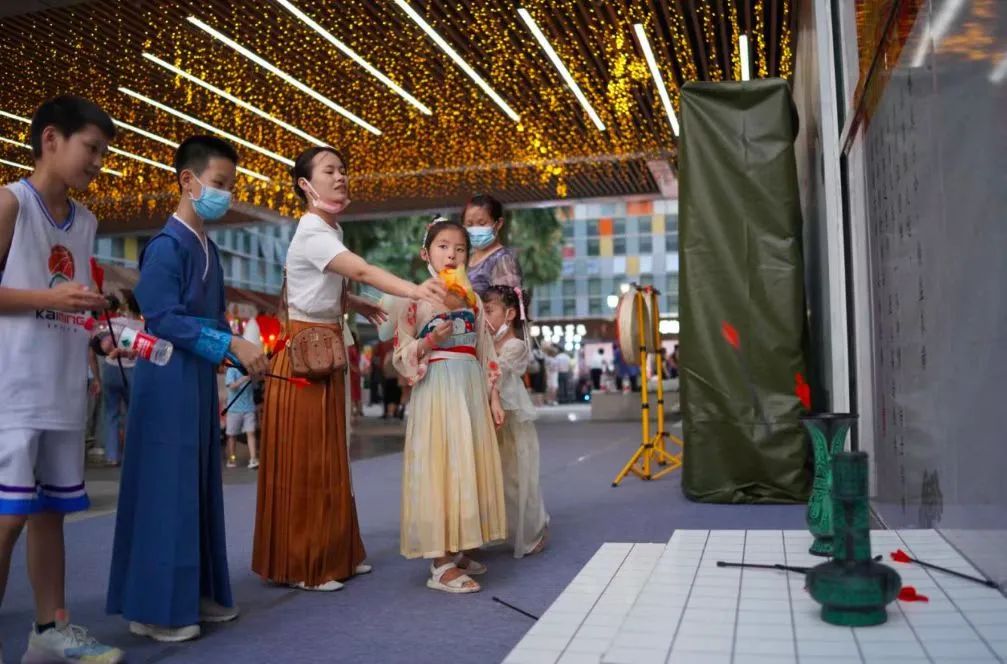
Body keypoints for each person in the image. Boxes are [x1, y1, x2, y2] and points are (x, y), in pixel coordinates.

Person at [252, 146, 446, 592]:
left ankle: (337, 552)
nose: (340, 178)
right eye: (329, 171)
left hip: (322, 353)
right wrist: (415, 290)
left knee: (331, 455)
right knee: (310, 460)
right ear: (305, 184)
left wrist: (354, 302)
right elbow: (360, 269)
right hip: (306, 358)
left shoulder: (326, 230)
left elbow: (317, 287)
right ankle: (306, 563)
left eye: (342, 170)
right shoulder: (314, 233)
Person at [106, 136, 268, 642]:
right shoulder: (165, 246)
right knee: (165, 489)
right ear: (187, 180)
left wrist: (227, 352)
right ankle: (154, 608)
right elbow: (163, 318)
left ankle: (193, 591)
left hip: (197, 380)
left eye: (229, 186)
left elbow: (212, 317)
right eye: (219, 184)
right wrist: (231, 344)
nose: (225, 194)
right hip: (166, 380)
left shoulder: (208, 249)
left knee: (198, 486)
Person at [0, 95, 125, 662]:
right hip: (13, 390)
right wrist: (51, 297)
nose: (99, 161)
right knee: (8, 520)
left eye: (103, 152)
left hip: (62, 387)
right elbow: (43, 293)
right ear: (51, 138)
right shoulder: (10, 204)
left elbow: (66, 299)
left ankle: (48, 632)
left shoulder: (88, 221)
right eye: (92, 148)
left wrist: (97, 327)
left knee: (51, 514)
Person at [393, 219, 506, 593]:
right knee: (441, 466)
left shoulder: (472, 298)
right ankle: (440, 564)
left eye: (459, 248)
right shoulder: (416, 298)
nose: (451, 254)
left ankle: (456, 548)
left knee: (465, 463)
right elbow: (400, 354)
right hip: (437, 388)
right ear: (426, 253)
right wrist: (427, 344)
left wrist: (493, 396)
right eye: (443, 246)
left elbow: (486, 350)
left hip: (470, 388)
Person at [483, 286, 549, 558]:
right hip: (491, 418)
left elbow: (497, 372)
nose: (484, 317)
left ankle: (534, 530)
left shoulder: (515, 344)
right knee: (496, 478)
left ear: (509, 314)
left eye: (489, 311)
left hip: (512, 420)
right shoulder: (486, 342)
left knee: (518, 478)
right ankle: (498, 529)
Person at [462, 193, 522, 297]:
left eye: (482, 223)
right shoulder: (467, 259)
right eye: (469, 224)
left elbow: (507, 305)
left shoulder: (503, 260)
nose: (475, 229)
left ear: (498, 224)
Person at [224, 364, 259, 469]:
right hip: (234, 409)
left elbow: (255, 385)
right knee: (232, 435)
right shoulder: (232, 370)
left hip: (249, 407)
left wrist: (255, 376)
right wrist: (244, 379)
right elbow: (231, 386)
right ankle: (232, 458)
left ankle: (253, 459)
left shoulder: (249, 369)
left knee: (251, 432)